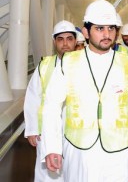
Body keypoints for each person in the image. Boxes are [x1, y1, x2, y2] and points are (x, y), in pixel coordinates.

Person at [41, 0, 128, 182]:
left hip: (119, 152)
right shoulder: (69, 62)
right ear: (86, 32)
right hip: (79, 151)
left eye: (111, 28)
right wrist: (52, 148)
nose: (106, 34)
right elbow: (51, 107)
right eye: (99, 28)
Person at [24, 20, 78, 182]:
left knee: (75, 173)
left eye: (69, 38)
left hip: (77, 133)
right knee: (49, 175)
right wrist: (32, 129)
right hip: (47, 131)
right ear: (54, 42)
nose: (65, 43)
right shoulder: (45, 66)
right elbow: (33, 96)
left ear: (76, 41)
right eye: (60, 39)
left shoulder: (85, 64)